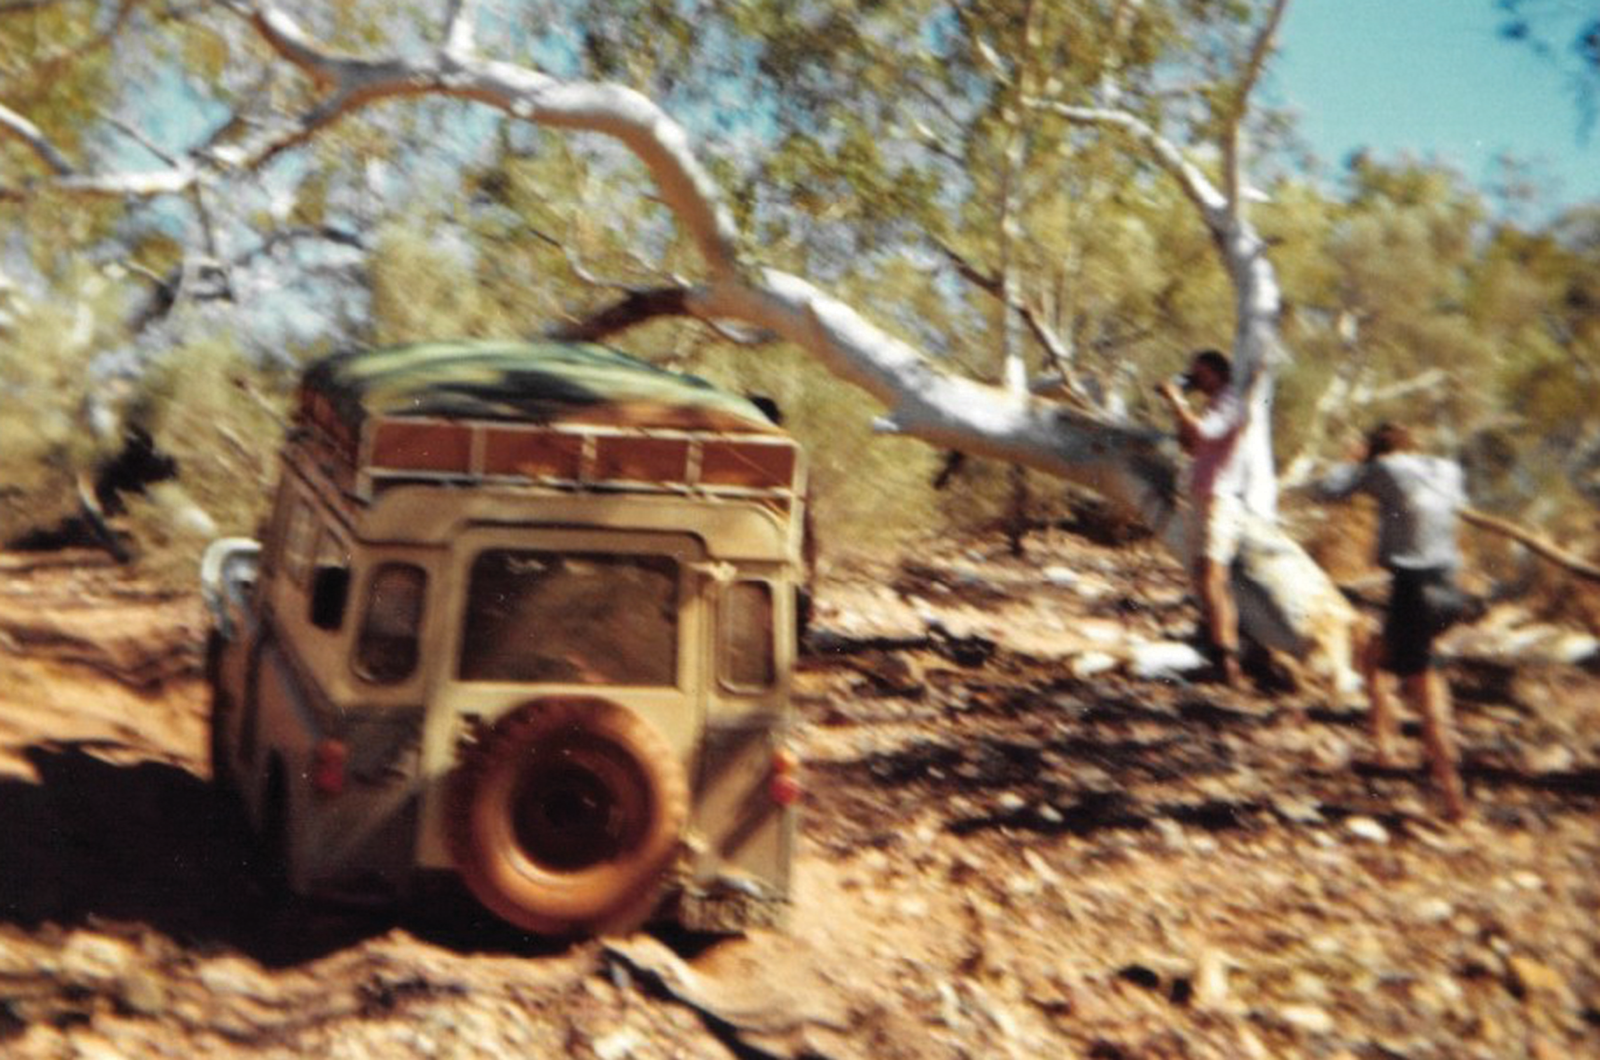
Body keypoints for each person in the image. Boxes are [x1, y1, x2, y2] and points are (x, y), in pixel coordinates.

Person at [1314, 421, 1470, 820]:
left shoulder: (1382, 468)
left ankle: (1453, 795)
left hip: (1413, 589)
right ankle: (1385, 749)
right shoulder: (1446, 468)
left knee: (1427, 693)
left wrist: (1351, 461)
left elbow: (1327, 491)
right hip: (1450, 588)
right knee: (1372, 656)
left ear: (1374, 449)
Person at [1157, 348, 1274, 688]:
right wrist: (1178, 409)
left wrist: (1178, 400)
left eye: (1198, 374)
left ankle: (1227, 659)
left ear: (1214, 371)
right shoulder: (1213, 403)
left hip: (1219, 500)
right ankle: (1218, 651)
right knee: (1204, 578)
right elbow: (1191, 445)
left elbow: (1207, 433)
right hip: (1200, 497)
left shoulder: (1231, 401)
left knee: (1213, 577)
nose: (1195, 380)